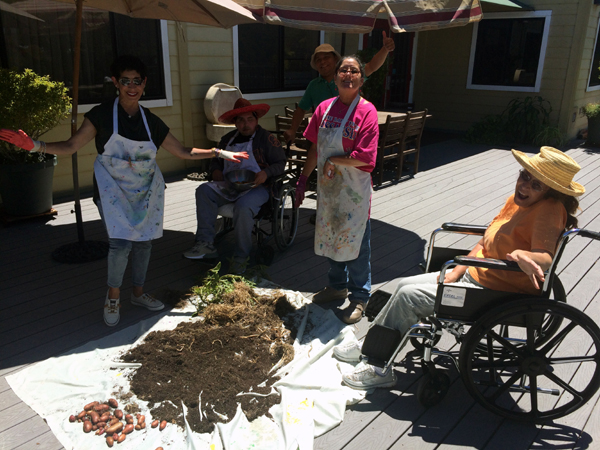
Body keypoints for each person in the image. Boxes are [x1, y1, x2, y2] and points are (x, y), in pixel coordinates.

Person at [0, 55, 248, 327]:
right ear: (116, 83)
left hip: (146, 190)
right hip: (112, 189)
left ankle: (139, 294)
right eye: (126, 81)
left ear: (144, 83)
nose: (132, 87)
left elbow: (182, 151)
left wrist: (217, 151)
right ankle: (113, 295)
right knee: (120, 245)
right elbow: (71, 146)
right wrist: (35, 145)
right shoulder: (101, 115)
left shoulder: (150, 121)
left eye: (137, 81)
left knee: (144, 244)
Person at [332, 146, 585, 389]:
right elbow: (484, 241)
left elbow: (544, 257)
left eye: (536, 184)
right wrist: (457, 271)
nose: (524, 185)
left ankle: (378, 369)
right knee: (403, 286)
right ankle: (371, 346)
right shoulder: (517, 201)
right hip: (475, 275)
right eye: (524, 176)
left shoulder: (549, 209)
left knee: (409, 297)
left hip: (495, 290)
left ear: (551, 192)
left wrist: (523, 255)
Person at [297, 55, 379, 324]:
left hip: (354, 191)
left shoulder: (366, 111)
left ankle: (359, 297)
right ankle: (336, 287)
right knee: (332, 235)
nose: (348, 74)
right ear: (335, 78)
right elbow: (315, 148)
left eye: (354, 71)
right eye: (343, 70)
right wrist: (303, 178)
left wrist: (334, 161)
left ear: (361, 78)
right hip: (330, 189)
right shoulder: (323, 109)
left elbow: (366, 157)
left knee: (356, 243)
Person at [183, 98, 287, 274]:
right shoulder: (226, 140)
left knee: (243, 206)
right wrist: (215, 170)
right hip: (230, 184)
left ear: (256, 120)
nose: (245, 124)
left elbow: (280, 162)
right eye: (240, 120)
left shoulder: (267, 139)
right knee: (203, 190)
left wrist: (266, 173)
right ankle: (205, 243)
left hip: (258, 187)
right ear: (235, 122)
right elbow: (216, 161)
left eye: (249, 119)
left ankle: (241, 256)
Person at [283, 34, 395, 144]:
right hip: (324, 139)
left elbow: (371, 66)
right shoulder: (314, 86)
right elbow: (301, 109)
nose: (322, 62)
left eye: (326, 57)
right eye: (318, 60)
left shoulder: (348, 77)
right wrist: (293, 129)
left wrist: (385, 49)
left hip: (351, 136)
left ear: (335, 59)